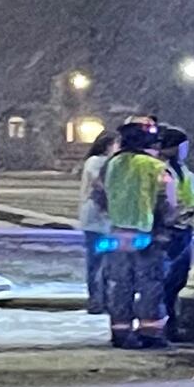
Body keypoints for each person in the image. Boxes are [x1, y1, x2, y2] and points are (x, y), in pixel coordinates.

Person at [102, 118, 175, 349]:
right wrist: (168, 226)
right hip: (146, 233)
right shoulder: (154, 166)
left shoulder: (113, 164)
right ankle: (150, 331)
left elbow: (101, 194)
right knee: (149, 284)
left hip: (116, 231)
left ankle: (120, 331)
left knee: (120, 283)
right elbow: (169, 201)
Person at [157, 125, 194, 341]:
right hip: (171, 229)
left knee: (178, 280)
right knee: (169, 280)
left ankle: (174, 323)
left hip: (183, 227)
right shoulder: (164, 170)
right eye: (183, 146)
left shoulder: (181, 170)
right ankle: (167, 324)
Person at [77, 130, 118, 315]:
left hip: (102, 220)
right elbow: (98, 183)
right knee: (97, 262)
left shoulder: (103, 162)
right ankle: (97, 300)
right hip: (97, 219)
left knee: (105, 262)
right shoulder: (97, 162)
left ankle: (103, 298)